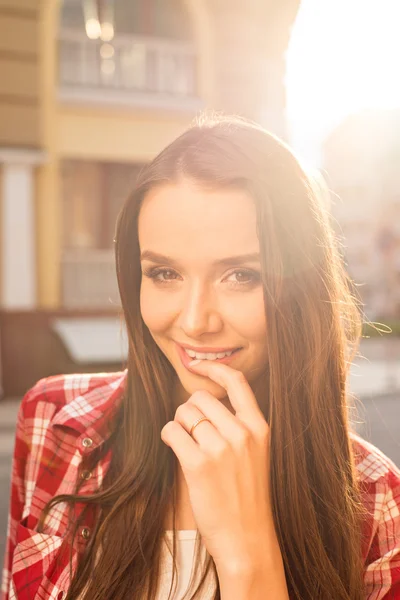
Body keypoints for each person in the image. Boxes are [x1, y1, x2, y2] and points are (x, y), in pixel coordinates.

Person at [1, 115, 400, 600]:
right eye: (164, 273)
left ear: (300, 289)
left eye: (241, 276)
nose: (194, 321)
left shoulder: (377, 503)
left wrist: (248, 556)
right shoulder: (54, 421)